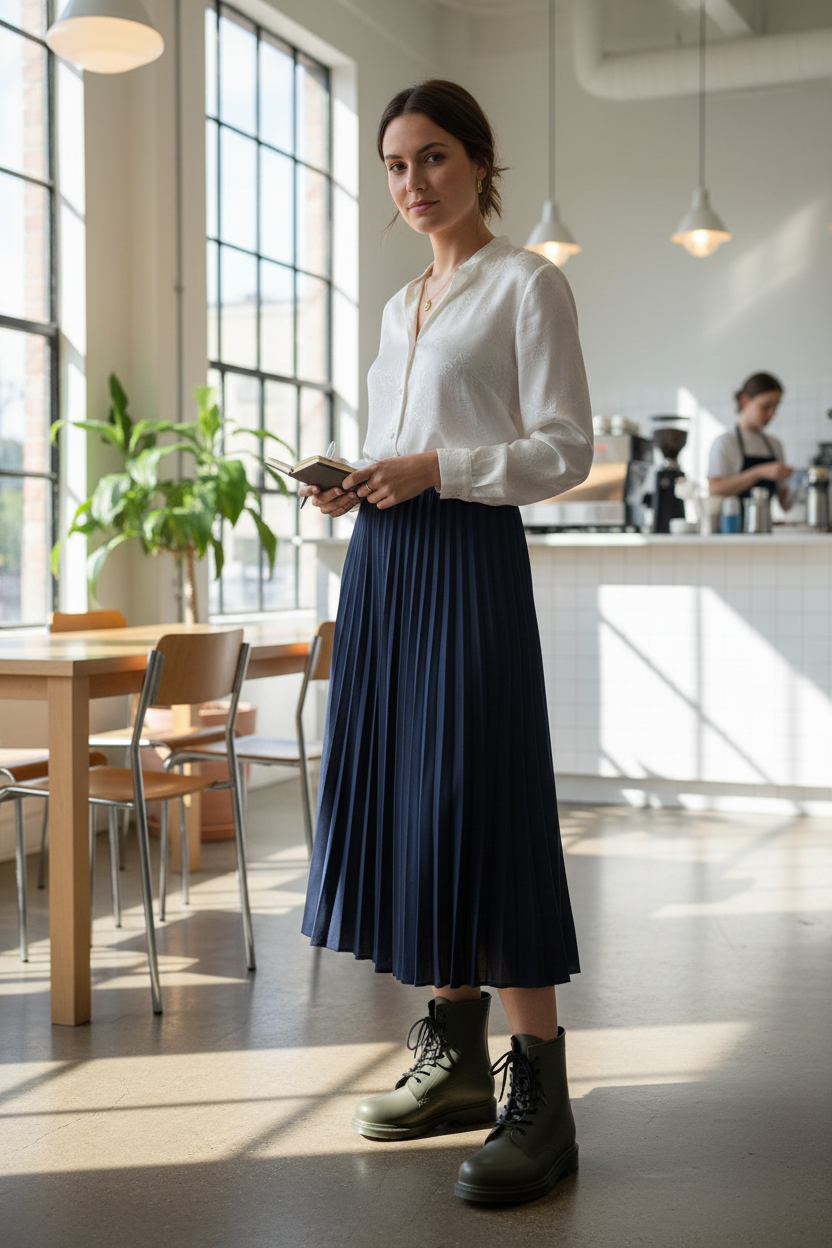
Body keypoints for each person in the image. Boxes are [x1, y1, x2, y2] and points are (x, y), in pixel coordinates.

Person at [299, 79, 593, 1205]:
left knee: (483, 801)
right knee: (416, 806)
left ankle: (542, 1103)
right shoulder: (395, 306)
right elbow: (404, 439)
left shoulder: (527, 284)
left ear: (477, 160)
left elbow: (563, 448)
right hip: (387, 565)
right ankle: (456, 1063)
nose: (411, 183)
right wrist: (366, 480)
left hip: (467, 567)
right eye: (393, 166)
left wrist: (437, 471)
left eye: (430, 159)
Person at [708, 372, 793, 508]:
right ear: (745, 400)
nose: (772, 414)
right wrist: (760, 472)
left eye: (775, 407)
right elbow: (714, 490)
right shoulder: (725, 442)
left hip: (764, 525)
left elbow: (785, 503)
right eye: (766, 406)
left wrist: (796, 485)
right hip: (732, 527)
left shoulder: (775, 445)